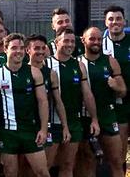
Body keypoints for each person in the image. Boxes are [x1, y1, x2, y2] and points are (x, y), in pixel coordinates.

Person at [0, 33, 50, 177]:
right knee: (10, 173)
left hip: (30, 130)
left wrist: (44, 129)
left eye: (21, 48)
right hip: (7, 132)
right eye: (14, 48)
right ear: (5, 49)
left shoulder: (34, 72)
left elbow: (43, 102)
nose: (18, 51)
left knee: (42, 172)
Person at [45, 28, 99, 177]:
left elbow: (87, 94)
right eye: (66, 41)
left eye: (72, 41)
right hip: (52, 123)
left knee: (68, 164)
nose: (70, 44)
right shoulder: (46, 64)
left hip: (74, 122)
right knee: (46, 167)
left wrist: (94, 119)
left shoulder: (78, 65)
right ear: (56, 42)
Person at [77, 26, 126, 177]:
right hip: (85, 118)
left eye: (99, 39)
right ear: (83, 40)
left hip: (108, 116)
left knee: (116, 160)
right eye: (92, 38)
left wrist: (116, 85)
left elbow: (123, 91)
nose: (96, 42)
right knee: (88, 160)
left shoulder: (110, 61)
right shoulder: (77, 62)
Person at [25, 34, 70, 169]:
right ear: (28, 50)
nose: (40, 51)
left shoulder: (50, 73)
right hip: (24, 126)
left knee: (45, 167)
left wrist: (65, 126)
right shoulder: (21, 71)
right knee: (24, 169)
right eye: (36, 48)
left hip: (45, 126)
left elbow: (58, 101)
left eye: (43, 48)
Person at [102, 5, 130, 166]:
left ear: (124, 21)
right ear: (106, 23)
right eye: (111, 19)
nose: (115, 22)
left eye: (118, 18)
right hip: (117, 103)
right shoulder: (101, 46)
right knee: (119, 153)